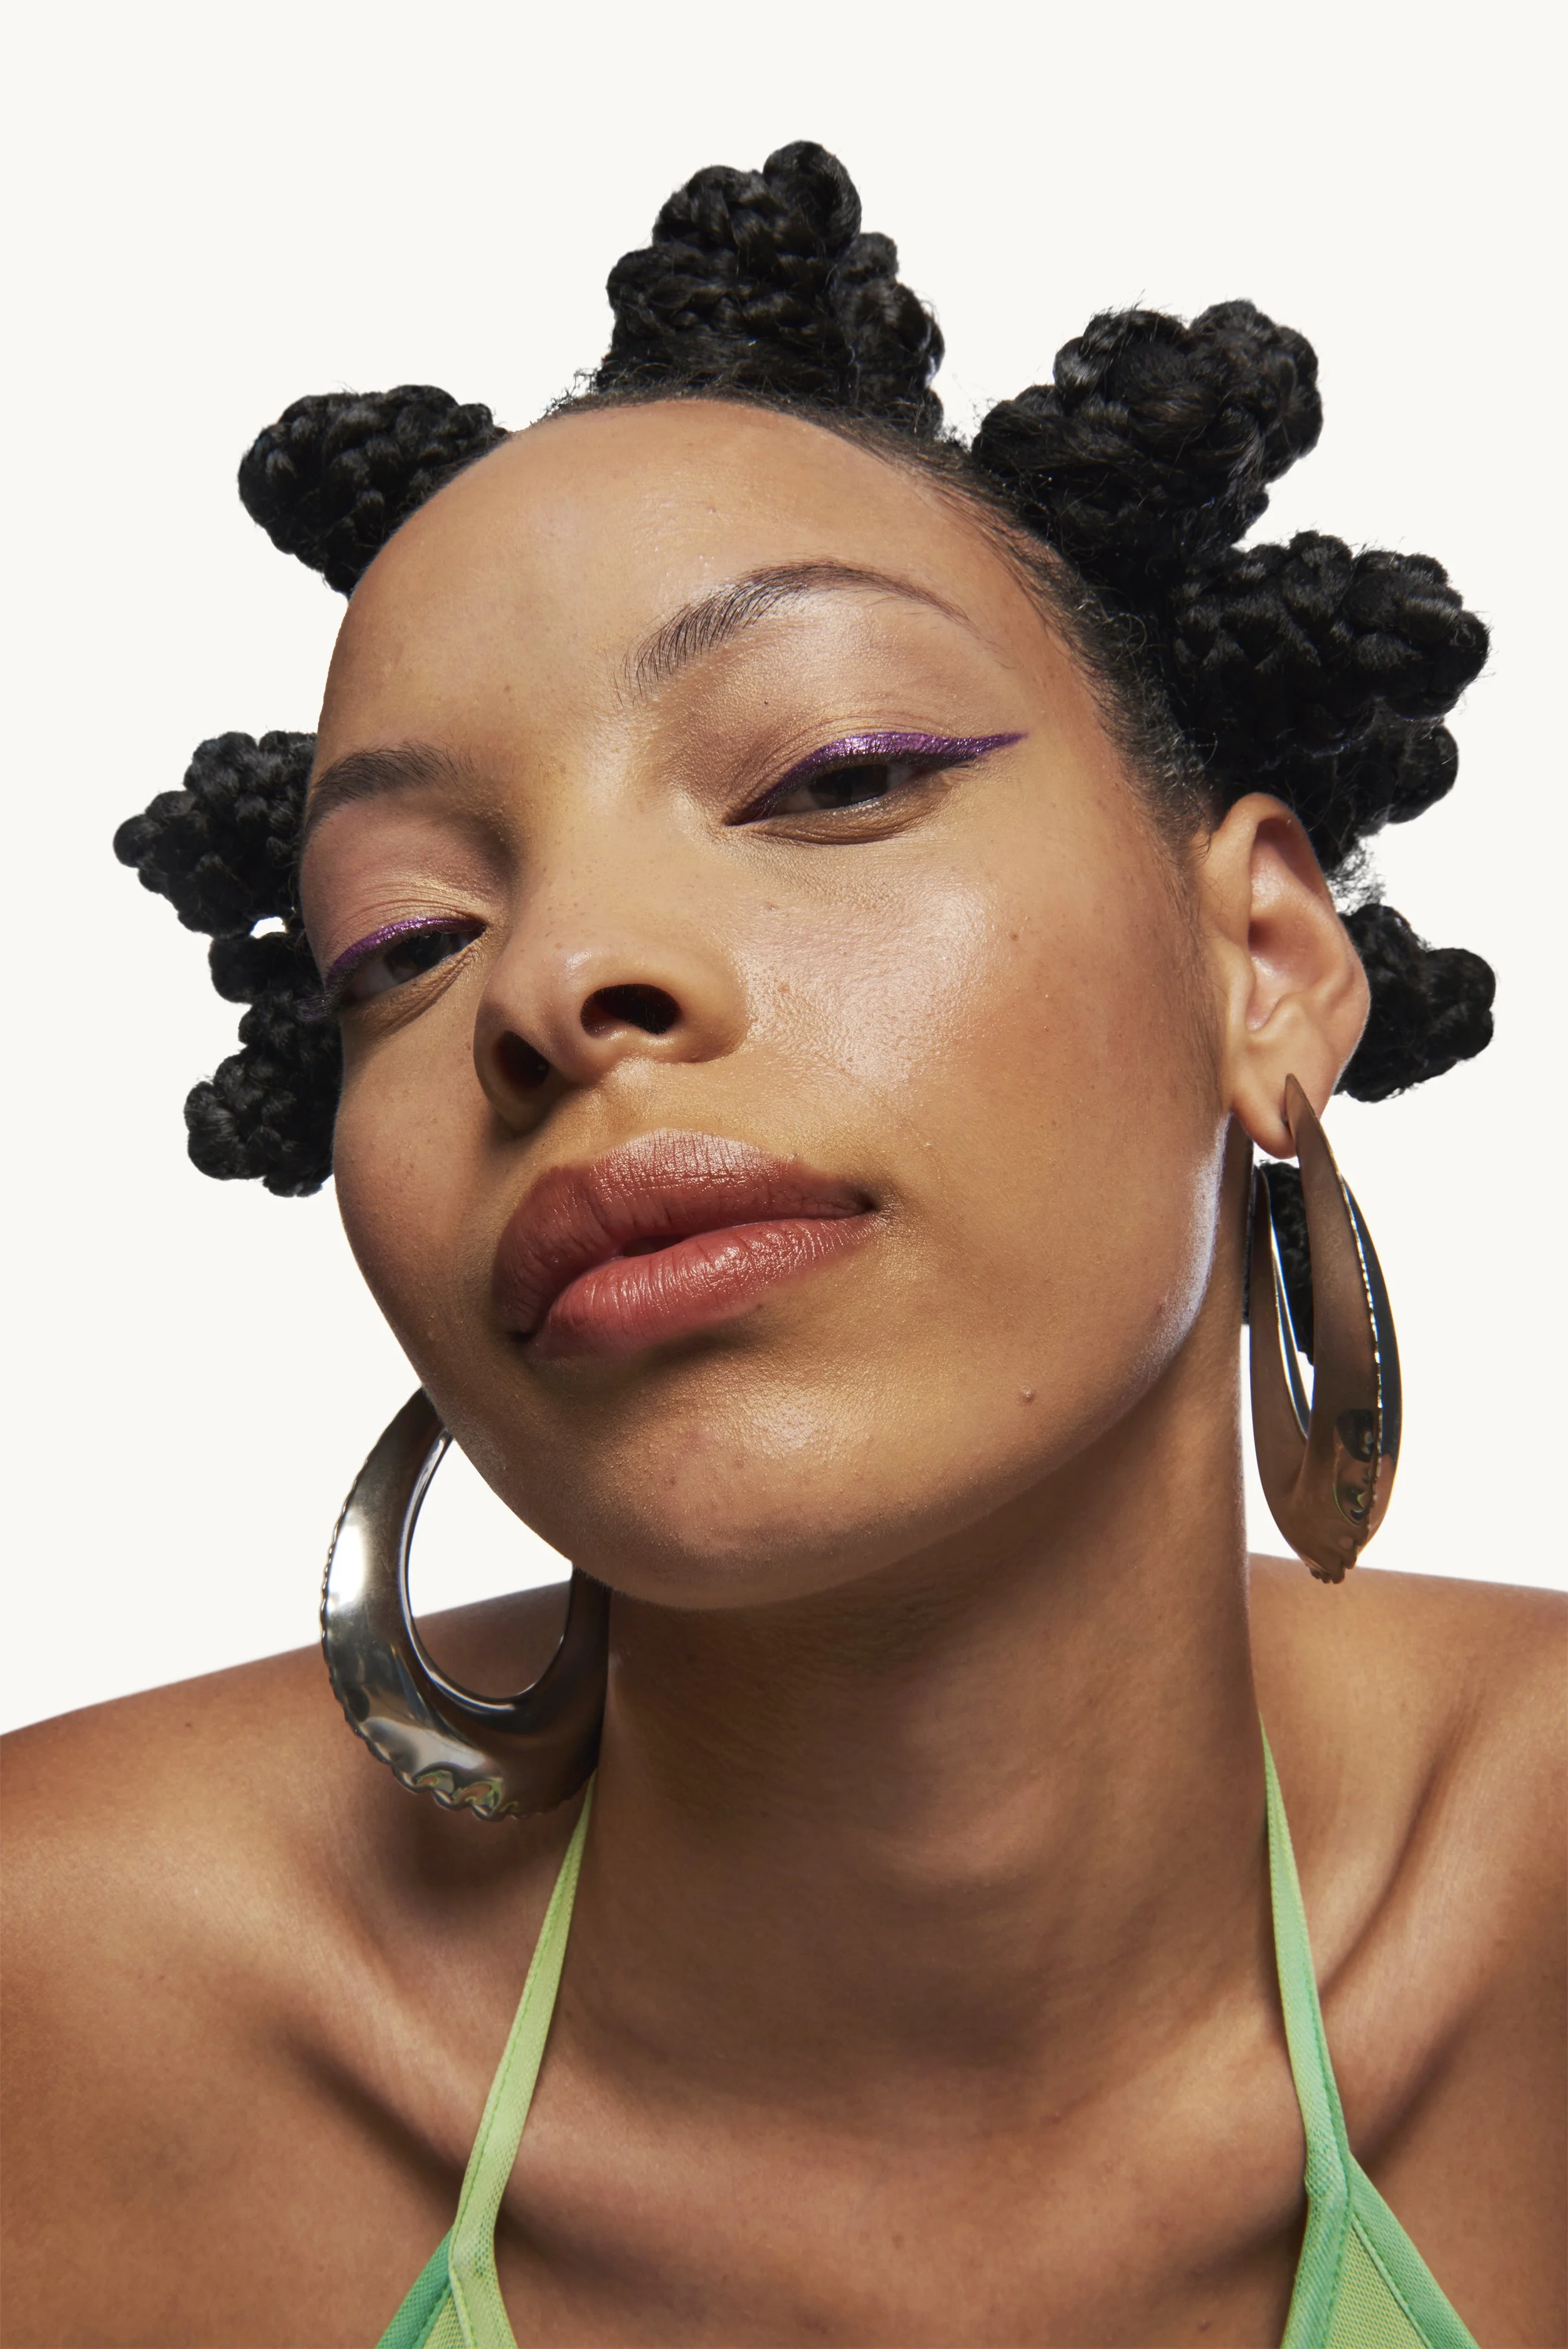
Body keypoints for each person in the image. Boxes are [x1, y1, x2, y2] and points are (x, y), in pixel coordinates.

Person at [2, 141, 1560, 2349]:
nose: (558, 982)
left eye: (830, 776)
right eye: (405, 940)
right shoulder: (48, 2011)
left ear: (1267, 968)